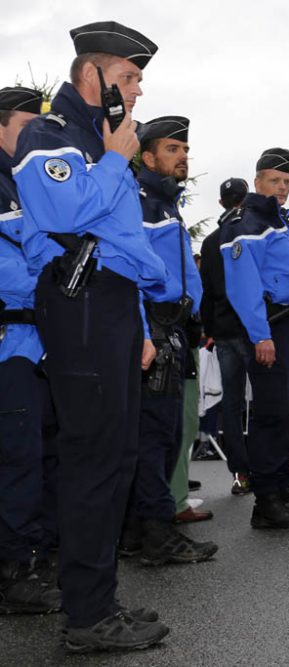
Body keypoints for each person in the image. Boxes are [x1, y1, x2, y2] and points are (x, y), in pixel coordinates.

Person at [13, 21, 171, 651]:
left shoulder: (99, 141)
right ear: (94, 76)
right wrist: (113, 159)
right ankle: (86, 617)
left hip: (109, 307)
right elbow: (62, 214)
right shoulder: (50, 134)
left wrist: (136, 326)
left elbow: (121, 245)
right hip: (77, 303)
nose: (136, 92)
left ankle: (96, 601)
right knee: (91, 461)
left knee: (115, 459)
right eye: (129, 78)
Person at [121, 116, 216, 564]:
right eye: (173, 149)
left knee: (164, 432)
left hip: (174, 329)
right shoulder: (140, 201)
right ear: (148, 155)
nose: (183, 157)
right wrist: (146, 332)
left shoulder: (163, 203)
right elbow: (129, 275)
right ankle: (157, 534)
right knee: (155, 435)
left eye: (185, 149)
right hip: (155, 329)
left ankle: (140, 532)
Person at [219, 148, 289, 527]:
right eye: (275, 181)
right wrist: (260, 335)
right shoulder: (245, 223)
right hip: (269, 326)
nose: (281, 188)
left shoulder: (281, 221)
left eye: (287, 182)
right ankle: (265, 503)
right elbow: (244, 287)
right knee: (272, 414)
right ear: (257, 181)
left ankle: (282, 489)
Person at [0, 85, 60, 615]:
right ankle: (15, 571)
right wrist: (61, 287)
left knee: (43, 455)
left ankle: (39, 557)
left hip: (41, 341)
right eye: (25, 122)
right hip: (12, 342)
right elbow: (14, 271)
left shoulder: (23, 180)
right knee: (18, 460)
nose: (35, 133)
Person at [199, 176, 252, 494]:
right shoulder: (250, 235)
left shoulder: (210, 241)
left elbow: (206, 291)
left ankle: (240, 473)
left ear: (221, 202)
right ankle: (267, 468)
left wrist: (210, 328)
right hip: (250, 329)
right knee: (265, 402)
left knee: (231, 405)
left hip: (224, 329)